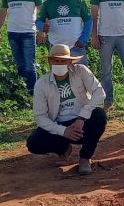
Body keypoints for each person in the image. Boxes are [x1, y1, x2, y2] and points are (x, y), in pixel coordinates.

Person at [26, 44, 107, 175]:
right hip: (59, 126)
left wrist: (82, 118)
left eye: (63, 61)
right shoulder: (41, 84)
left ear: (70, 61)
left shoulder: (81, 71)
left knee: (99, 115)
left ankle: (85, 158)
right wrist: (63, 131)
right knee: (34, 142)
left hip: (81, 123)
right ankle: (62, 149)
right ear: (50, 61)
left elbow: (99, 92)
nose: (59, 64)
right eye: (56, 60)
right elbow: (40, 117)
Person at [0, 0, 44, 95]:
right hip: (12, 32)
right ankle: (23, 92)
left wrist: (41, 30)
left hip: (28, 32)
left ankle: (33, 93)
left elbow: (41, 11)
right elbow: (3, 12)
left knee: (29, 65)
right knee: (20, 64)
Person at [36, 0, 93, 65]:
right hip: (56, 48)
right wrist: (42, 27)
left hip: (76, 47)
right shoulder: (47, 4)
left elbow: (88, 20)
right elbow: (39, 21)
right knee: (59, 74)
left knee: (81, 74)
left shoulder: (79, 2)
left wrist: (83, 39)